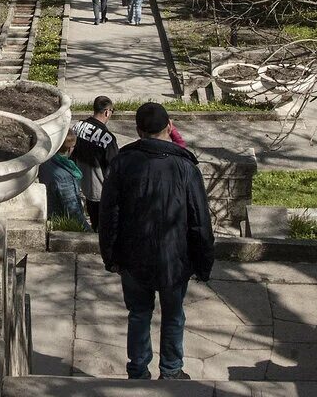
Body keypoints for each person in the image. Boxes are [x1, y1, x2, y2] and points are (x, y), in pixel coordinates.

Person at [99, 102, 214, 381]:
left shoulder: (123, 163)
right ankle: (171, 371)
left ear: (138, 130)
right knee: (173, 315)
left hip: (132, 256)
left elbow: (108, 214)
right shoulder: (185, 167)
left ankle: (138, 371)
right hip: (174, 258)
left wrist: (110, 256)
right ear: (170, 127)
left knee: (139, 314)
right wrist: (203, 262)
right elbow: (199, 218)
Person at [72, 96, 119, 229]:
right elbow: (114, 167)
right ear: (107, 112)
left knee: (93, 222)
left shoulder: (78, 126)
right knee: (104, 228)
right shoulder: (107, 138)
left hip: (82, 185)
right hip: (100, 191)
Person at [38, 131, 88, 226]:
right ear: (70, 149)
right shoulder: (66, 177)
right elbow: (74, 212)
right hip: (60, 222)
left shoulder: (45, 162)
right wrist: (90, 233)